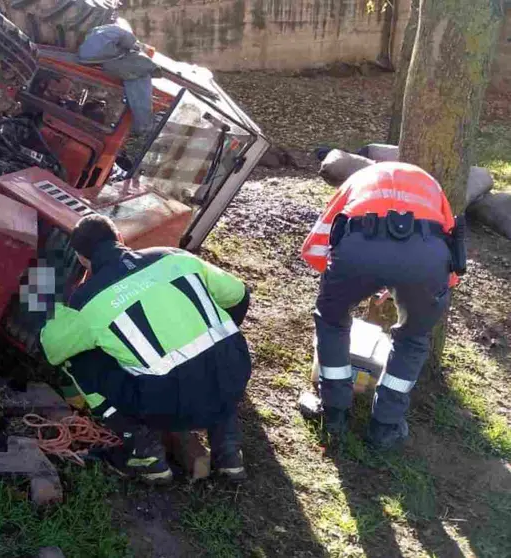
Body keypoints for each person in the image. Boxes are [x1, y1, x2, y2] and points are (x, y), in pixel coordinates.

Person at [38, 214, 253, 483]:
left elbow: (53, 349)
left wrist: (51, 305)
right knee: (215, 356)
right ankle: (229, 452)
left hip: (169, 405)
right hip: (234, 377)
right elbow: (239, 294)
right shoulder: (174, 257)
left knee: (78, 358)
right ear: (119, 237)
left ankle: (144, 453)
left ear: (82, 259)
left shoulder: (87, 302)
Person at [301, 161, 466, 450]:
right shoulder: (432, 187)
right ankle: (386, 426)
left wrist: (359, 279)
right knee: (413, 338)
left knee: (332, 321)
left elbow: (315, 249)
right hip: (426, 260)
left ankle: (334, 413)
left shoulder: (358, 180)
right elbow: (452, 262)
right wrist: (401, 281)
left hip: (357, 250)